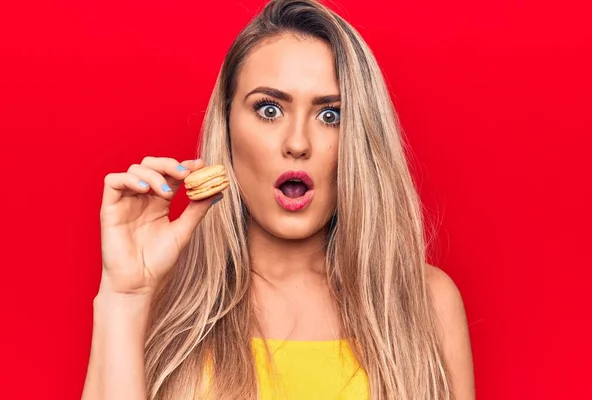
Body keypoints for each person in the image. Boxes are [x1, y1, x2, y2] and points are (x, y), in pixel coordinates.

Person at [82, 0, 475, 399]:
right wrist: (125, 297)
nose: (298, 143)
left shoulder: (424, 301)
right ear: (227, 124)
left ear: (361, 136)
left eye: (331, 116)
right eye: (269, 109)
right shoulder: (162, 303)